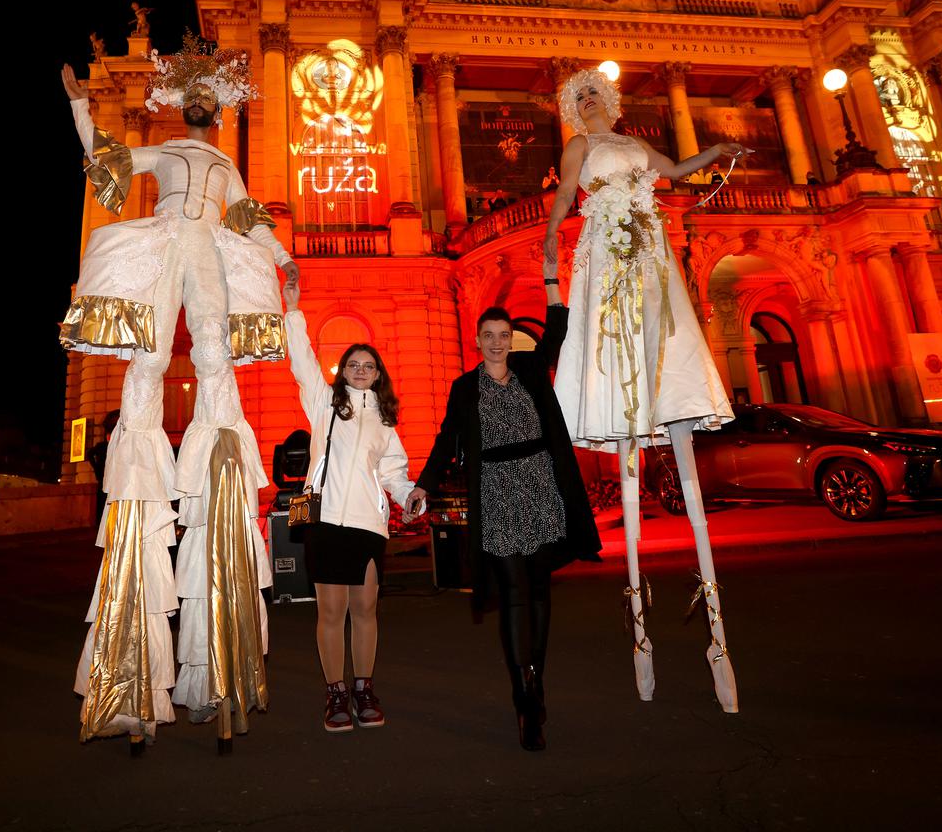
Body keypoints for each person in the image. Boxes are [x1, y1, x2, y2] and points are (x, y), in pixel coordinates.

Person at [61, 38, 299, 755]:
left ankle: (215, 452)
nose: (200, 103)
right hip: (166, 242)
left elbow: (252, 216)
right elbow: (107, 158)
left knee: (217, 358)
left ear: (218, 108)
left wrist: (285, 263)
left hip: (208, 252)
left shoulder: (226, 163)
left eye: (209, 95)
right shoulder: (163, 149)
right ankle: (142, 459)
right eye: (192, 94)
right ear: (183, 104)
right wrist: (78, 103)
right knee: (150, 358)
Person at [542, 67, 745, 714]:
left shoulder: (633, 145)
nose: (591, 102)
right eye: (581, 98)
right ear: (574, 110)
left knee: (665, 322)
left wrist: (715, 153)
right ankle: (640, 638)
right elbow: (561, 199)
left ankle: (715, 636)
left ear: (612, 102)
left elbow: (677, 170)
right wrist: (549, 247)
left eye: (597, 94)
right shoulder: (581, 148)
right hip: (608, 245)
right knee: (617, 325)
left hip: (649, 241)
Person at [415, 299, 601, 751]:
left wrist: (553, 283)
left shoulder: (531, 371)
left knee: (538, 589)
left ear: (510, 339)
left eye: (504, 335)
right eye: (489, 336)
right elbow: (446, 439)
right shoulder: (464, 389)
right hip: (496, 493)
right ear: (477, 341)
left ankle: (536, 678)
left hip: (539, 485)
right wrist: (424, 484)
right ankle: (523, 692)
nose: (497, 343)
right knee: (514, 589)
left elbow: (555, 333)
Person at [282, 281, 424, 731]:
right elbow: (302, 362)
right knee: (331, 612)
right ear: (343, 370)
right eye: (353, 364)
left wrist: (409, 495)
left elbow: (392, 473)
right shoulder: (325, 404)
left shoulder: (385, 420)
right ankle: (335, 695)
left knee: (365, 611)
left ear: (378, 374)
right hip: (324, 522)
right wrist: (293, 311)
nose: (361, 370)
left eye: (369, 365)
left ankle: (364, 689)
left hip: (367, 525)